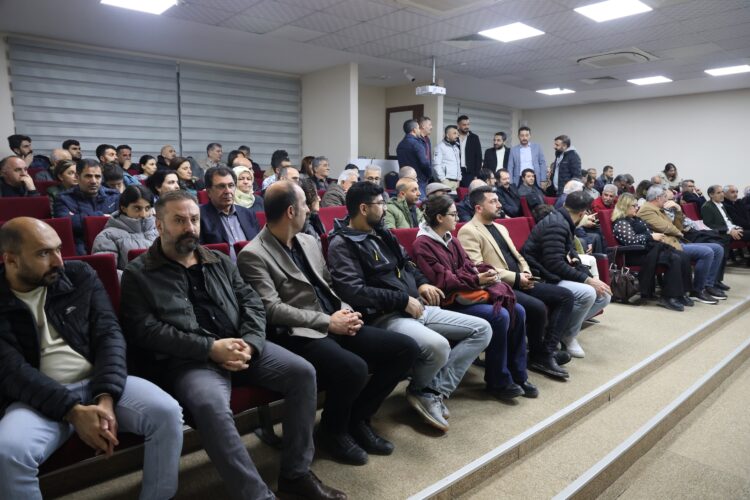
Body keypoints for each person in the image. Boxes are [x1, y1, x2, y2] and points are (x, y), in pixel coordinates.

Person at [120, 191, 346, 500]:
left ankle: (295, 474)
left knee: (302, 373)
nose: (190, 227)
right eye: (179, 220)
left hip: (242, 346)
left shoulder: (218, 260)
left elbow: (252, 304)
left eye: (194, 219)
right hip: (192, 360)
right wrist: (209, 348)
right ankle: (256, 496)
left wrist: (251, 344)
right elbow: (147, 332)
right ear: (159, 225)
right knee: (210, 405)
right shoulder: (139, 273)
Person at [0, 217, 183, 500]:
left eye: (58, 249)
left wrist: (106, 398)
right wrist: (73, 411)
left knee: (167, 412)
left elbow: (109, 334)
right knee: (8, 453)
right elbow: (11, 371)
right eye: (44, 253)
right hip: (36, 399)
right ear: (10, 260)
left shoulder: (78, 275)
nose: (59, 261)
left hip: (99, 381)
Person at [238, 181, 418, 465]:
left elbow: (331, 285)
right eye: (305, 205)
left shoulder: (308, 240)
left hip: (334, 319)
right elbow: (272, 309)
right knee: (354, 368)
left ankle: (357, 419)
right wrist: (328, 322)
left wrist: (346, 311)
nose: (311, 210)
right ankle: (332, 431)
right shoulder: (253, 254)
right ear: (290, 211)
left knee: (405, 349)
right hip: (299, 333)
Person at [326, 181, 492, 432]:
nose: (384, 208)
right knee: (439, 346)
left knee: (483, 329)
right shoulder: (342, 244)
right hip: (387, 316)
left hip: (417, 306)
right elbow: (355, 292)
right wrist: (402, 300)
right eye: (380, 204)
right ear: (363, 208)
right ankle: (423, 390)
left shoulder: (382, 232)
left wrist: (422, 284)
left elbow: (407, 264)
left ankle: (431, 390)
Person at [413, 194, 538, 398]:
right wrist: (476, 279)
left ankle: (519, 374)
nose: (457, 218)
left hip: (466, 292)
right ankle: (498, 380)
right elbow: (444, 281)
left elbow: (468, 266)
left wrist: (482, 274)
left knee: (518, 310)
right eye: (453, 215)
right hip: (448, 300)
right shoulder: (423, 244)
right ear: (440, 218)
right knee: (500, 316)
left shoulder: (451, 239)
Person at [458, 186, 574, 379]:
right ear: (479, 208)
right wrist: (517, 278)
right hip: (499, 286)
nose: (499, 204)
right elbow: (479, 267)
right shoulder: (468, 231)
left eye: (498, 200)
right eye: (493, 201)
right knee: (537, 307)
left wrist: (525, 272)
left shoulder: (501, 227)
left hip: (520, 280)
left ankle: (545, 352)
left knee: (565, 296)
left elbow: (518, 256)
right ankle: (538, 354)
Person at [521, 191, 612, 358]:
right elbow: (554, 264)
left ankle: (561, 330)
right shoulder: (557, 225)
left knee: (604, 295)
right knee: (588, 292)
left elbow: (573, 258)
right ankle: (567, 335)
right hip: (542, 276)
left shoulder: (564, 221)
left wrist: (590, 278)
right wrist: (587, 280)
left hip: (552, 273)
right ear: (582, 213)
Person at [638, 185, 726, 304]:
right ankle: (697, 290)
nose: (666, 200)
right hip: (668, 245)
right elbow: (666, 228)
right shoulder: (646, 210)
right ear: (658, 198)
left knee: (718, 248)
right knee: (707, 252)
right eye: (665, 197)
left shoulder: (659, 209)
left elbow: (677, 227)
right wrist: (679, 232)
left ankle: (708, 285)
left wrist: (678, 210)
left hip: (676, 241)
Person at [611, 193, 694, 311]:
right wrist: (651, 237)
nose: (637, 208)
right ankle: (669, 296)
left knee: (683, 255)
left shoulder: (635, 219)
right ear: (625, 206)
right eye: (634, 206)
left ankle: (681, 293)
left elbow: (645, 233)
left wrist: (654, 236)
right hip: (635, 254)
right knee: (674, 258)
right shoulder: (621, 222)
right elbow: (630, 241)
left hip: (648, 250)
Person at [53, 159, 120, 255]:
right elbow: (65, 225)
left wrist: (77, 218)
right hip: (80, 248)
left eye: (97, 176)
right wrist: (102, 217)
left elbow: (122, 223)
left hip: (111, 244)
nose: (93, 181)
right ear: (77, 177)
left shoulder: (114, 196)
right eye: (88, 176)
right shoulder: (64, 198)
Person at [92, 185, 158, 271]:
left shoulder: (160, 230)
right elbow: (107, 272)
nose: (143, 214)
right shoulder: (108, 236)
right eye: (137, 208)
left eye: (147, 208)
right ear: (123, 208)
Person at [199, 166, 259, 256]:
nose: (228, 191)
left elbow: (259, 245)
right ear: (209, 192)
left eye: (231, 185)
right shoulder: (200, 217)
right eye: (221, 186)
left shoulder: (248, 214)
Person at [396, 119, 431, 196]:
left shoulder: (400, 145)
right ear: (414, 130)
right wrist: (429, 175)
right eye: (418, 128)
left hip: (404, 180)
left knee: (405, 201)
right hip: (418, 180)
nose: (419, 130)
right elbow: (425, 163)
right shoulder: (417, 144)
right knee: (419, 202)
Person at [456, 115, 482, 187]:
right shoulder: (454, 137)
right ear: (458, 125)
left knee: (468, 192)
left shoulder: (474, 138)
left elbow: (478, 157)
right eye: (464, 125)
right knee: (454, 192)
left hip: (469, 173)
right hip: (455, 171)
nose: (467, 126)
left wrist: (476, 175)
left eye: (468, 124)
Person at [434, 125, 461, 190]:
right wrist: (443, 180)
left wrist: (459, 179)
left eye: (457, 133)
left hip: (456, 182)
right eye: (454, 133)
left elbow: (458, 165)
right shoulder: (440, 147)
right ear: (447, 135)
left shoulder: (456, 148)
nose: (457, 136)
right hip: (445, 181)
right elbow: (436, 165)